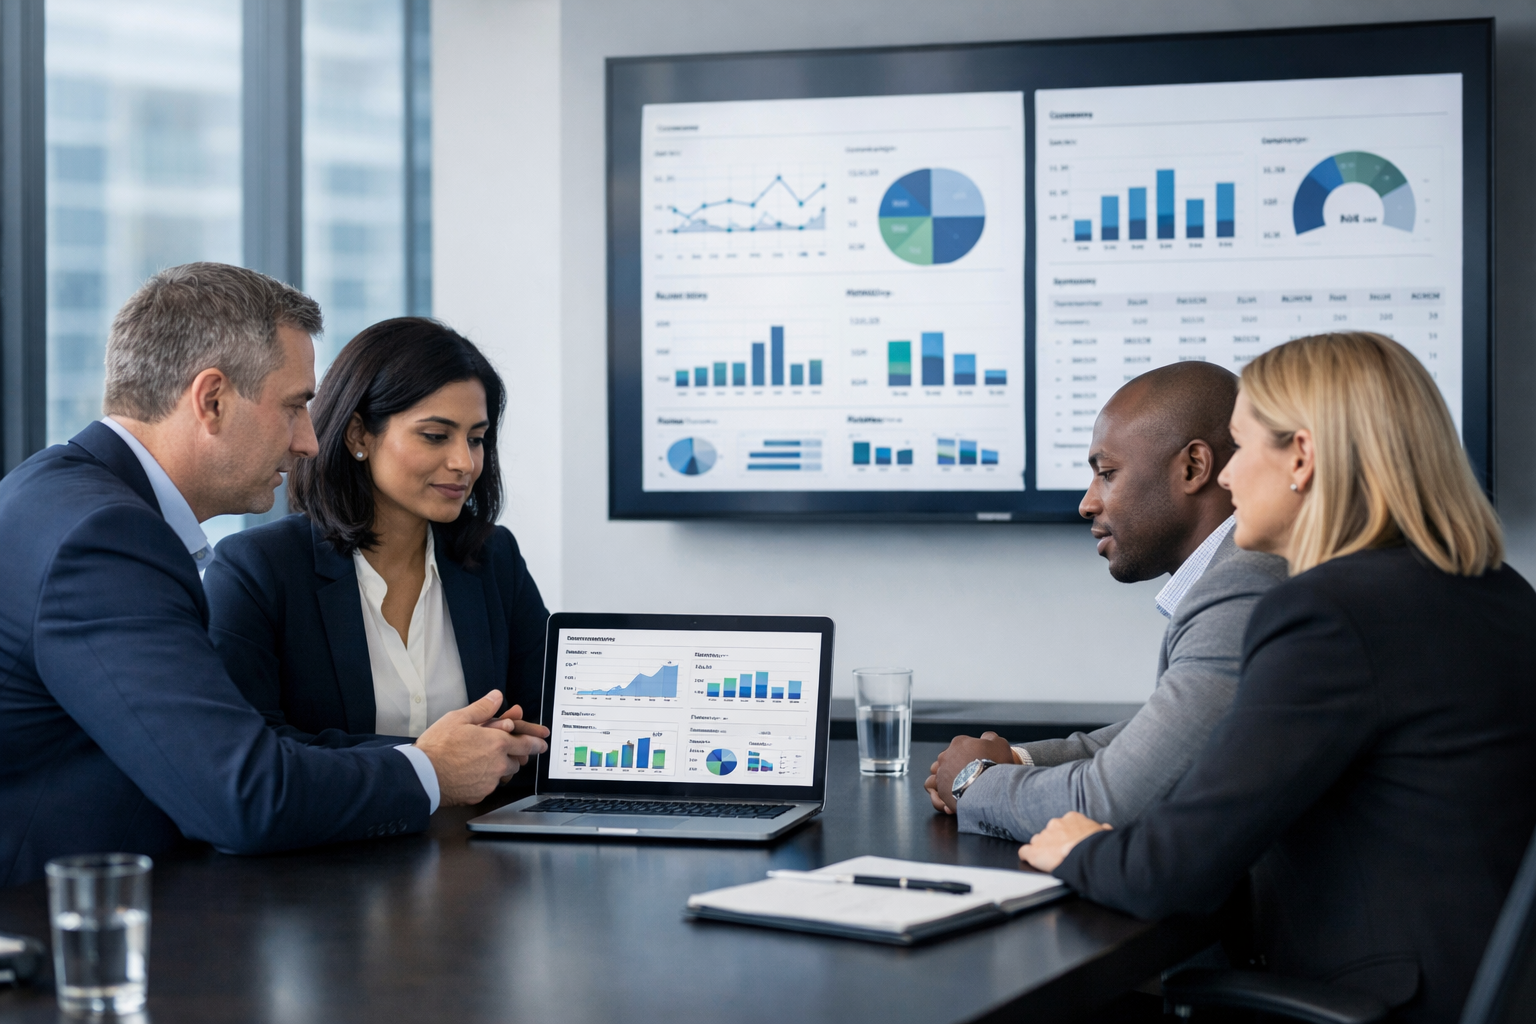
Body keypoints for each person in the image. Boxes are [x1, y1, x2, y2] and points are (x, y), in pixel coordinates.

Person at [1020, 332, 1536, 1023]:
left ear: (1301, 457)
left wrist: (1078, 846)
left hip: (1379, 1002)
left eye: (1241, 449)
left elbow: (1171, 868)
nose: (1227, 480)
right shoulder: (1499, 589)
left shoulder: (1329, 615)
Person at [0, 264, 546, 888]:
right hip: (57, 933)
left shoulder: (56, 495)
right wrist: (429, 769)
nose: (310, 441)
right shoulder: (106, 541)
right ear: (211, 400)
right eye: (294, 407)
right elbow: (244, 793)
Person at [924, 362, 1287, 838]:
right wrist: (1018, 759)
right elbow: (1153, 742)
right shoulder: (1239, 571)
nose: (1087, 503)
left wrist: (974, 784)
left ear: (1193, 467)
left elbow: (1111, 799)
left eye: (1108, 473)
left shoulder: (1243, 584)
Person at [203, 318, 549, 749]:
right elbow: (250, 750)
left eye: (476, 439)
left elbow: (545, 724)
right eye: (436, 436)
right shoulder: (256, 570)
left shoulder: (495, 558)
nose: (464, 462)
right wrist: (429, 762)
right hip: (333, 821)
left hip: (478, 819)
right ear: (358, 434)